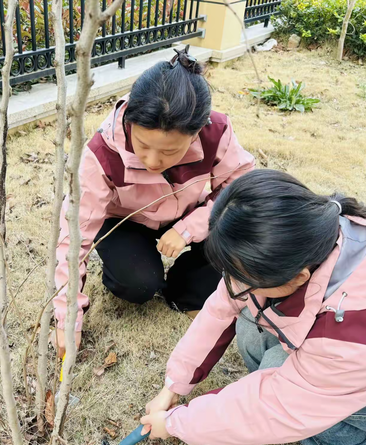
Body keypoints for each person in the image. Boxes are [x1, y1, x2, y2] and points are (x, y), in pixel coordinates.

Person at [141, 169, 366, 445]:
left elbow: (276, 407)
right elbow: (220, 308)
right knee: (250, 328)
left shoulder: (353, 330)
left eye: (243, 278)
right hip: (348, 368)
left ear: (297, 278)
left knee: (280, 372)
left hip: (363, 374)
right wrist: (173, 385)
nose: (231, 285)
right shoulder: (309, 234)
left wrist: (176, 423)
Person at [52, 46, 254, 357]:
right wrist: (68, 319)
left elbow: (241, 190)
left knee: (233, 243)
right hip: (126, 220)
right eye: (142, 145)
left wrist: (189, 228)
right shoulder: (101, 153)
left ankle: (184, 289)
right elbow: (73, 237)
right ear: (129, 120)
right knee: (138, 285)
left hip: (190, 211)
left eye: (170, 152)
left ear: (197, 131)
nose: (151, 160)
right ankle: (145, 273)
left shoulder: (217, 132)